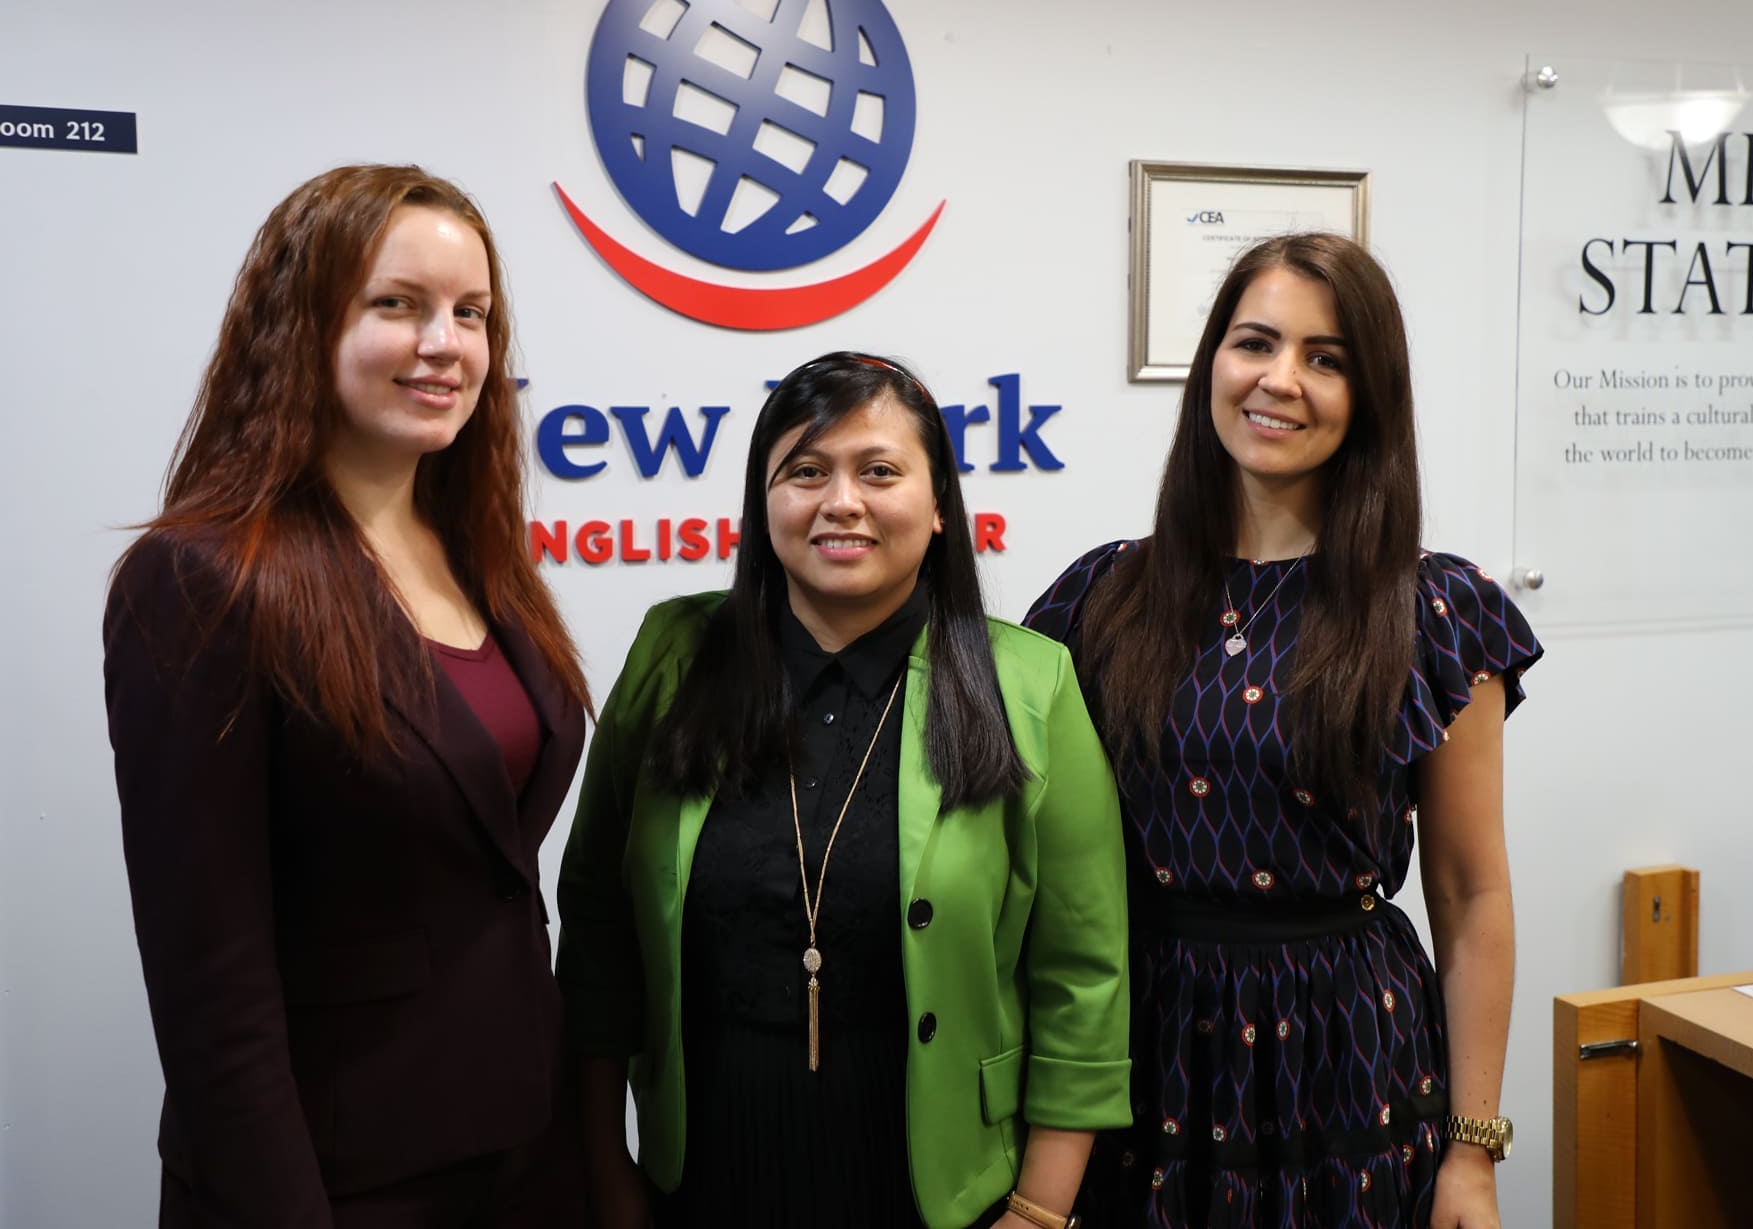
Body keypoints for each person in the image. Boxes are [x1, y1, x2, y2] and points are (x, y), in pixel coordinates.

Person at [102, 164, 591, 1227]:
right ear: (301, 320)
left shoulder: (479, 554)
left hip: (524, 1151)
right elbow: (211, 988)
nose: (445, 344)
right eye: (397, 305)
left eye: (471, 314)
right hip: (339, 1178)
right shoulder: (202, 578)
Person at [1025, 234, 1540, 1228]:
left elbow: (1470, 893)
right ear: (1210, 362)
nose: (1279, 380)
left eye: (1325, 358)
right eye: (1253, 342)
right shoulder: (1103, 596)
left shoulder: (1433, 610)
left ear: (1367, 395)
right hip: (1142, 1042)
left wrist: (1472, 1150)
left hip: (1345, 1053)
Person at [557, 352, 1131, 1229]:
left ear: (938, 506)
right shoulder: (675, 655)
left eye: (879, 471)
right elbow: (598, 928)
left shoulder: (1029, 682)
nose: (842, 501)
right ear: (763, 502)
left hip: (936, 1187)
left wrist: (1039, 1210)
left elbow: (1083, 974)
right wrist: (604, 1165)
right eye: (806, 471)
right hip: (706, 1175)